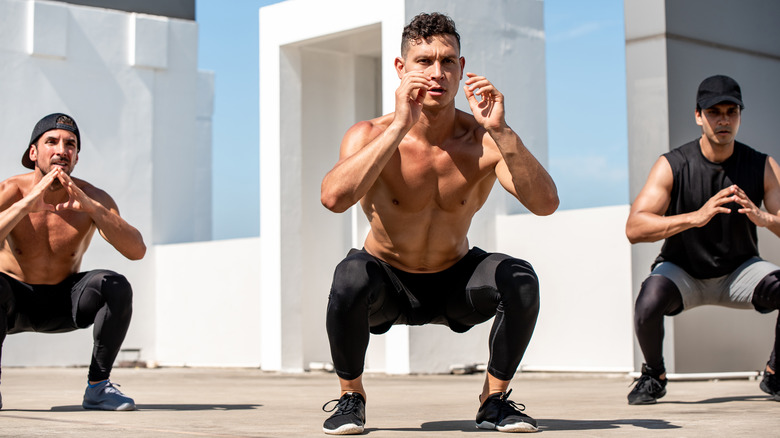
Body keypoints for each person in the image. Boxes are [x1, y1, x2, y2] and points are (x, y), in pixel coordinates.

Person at [319, 12, 558, 435]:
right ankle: (350, 397)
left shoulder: (484, 140)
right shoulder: (369, 134)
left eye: (448, 61)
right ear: (401, 69)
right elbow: (333, 199)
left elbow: (545, 204)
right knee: (348, 277)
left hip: (455, 281)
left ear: (462, 69)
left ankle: (494, 401)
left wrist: (502, 132)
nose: (437, 72)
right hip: (386, 280)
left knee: (521, 278)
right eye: (424, 61)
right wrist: (398, 126)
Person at [626, 75, 780, 405]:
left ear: (739, 115)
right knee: (646, 303)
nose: (723, 119)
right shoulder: (673, 164)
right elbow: (634, 229)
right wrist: (695, 217)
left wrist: (763, 218)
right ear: (698, 116)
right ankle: (654, 375)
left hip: (741, 271)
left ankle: (776, 373)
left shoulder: (762, 164)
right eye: (714, 112)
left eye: (731, 111)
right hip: (683, 273)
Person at [0, 113, 146, 411]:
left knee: (116, 285)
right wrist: (25, 206)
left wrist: (94, 210)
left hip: (63, 303)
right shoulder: (10, 191)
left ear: (76, 156)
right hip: (12, 302)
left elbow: (136, 250)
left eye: (70, 144)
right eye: (51, 141)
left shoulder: (91, 197)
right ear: (33, 153)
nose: (61, 149)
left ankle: (98, 388)